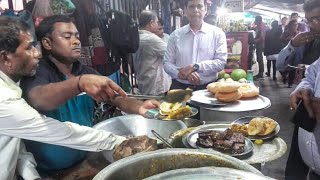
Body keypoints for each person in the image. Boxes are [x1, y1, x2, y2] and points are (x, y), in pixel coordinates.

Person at [0, 16, 157, 180]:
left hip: (81, 162)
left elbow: (16, 145)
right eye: (67, 37)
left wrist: (139, 107)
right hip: (47, 169)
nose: (75, 41)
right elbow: (40, 100)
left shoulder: (83, 71)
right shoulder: (31, 78)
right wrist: (121, 141)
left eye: (77, 36)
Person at [277, 1, 320, 179]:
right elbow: (311, 73)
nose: (312, 25)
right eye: (310, 20)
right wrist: (304, 88)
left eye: (317, 19)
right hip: (308, 119)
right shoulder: (311, 39)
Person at [164, 0, 227, 91]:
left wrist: (196, 66)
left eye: (199, 6)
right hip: (179, 88)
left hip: (208, 89)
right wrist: (183, 74)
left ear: (206, 9)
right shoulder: (175, 35)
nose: (196, 10)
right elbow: (167, 63)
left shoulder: (217, 34)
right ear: (185, 10)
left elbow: (221, 62)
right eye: (191, 7)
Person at [132, 11, 171, 95]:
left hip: (143, 82)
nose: (158, 25)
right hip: (156, 87)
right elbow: (170, 54)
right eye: (157, 22)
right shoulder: (151, 39)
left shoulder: (135, 37)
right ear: (151, 23)